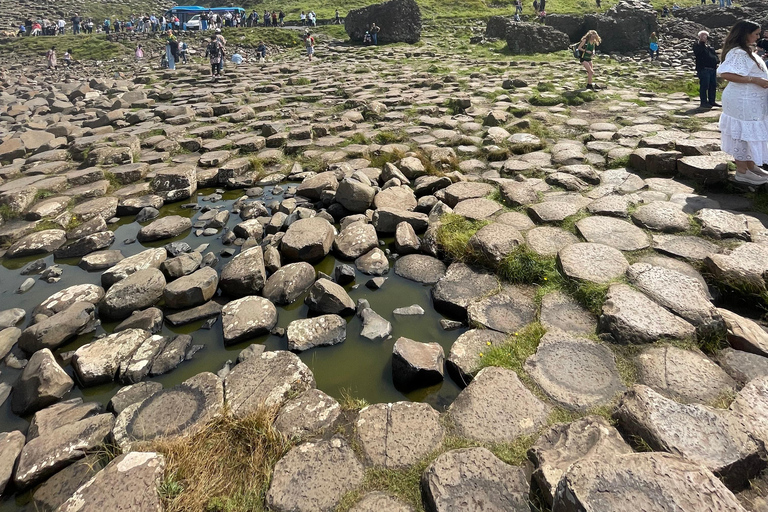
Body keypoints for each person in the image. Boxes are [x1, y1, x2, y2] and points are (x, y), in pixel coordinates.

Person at [717, 20, 768, 185]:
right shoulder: (738, 52)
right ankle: (742, 171)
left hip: (751, 102)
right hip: (743, 101)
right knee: (742, 134)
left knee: (749, 134)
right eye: (756, 34)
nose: (758, 37)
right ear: (745, 33)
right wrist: (755, 80)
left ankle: (751, 166)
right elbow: (725, 73)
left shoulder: (747, 51)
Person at [693, 30, 719, 109]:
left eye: (705, 36)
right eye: (702, 36)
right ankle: (703, 102)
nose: (704, 37)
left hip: (712, 69)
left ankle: (712, 101)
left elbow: (716, 57)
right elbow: (698, 52)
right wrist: (701, 42)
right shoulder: (697, 45)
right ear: (699, 37)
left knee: (713, 85)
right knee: (704, 86)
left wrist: (716, 61)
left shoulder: (710, 48)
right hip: (703, 69)